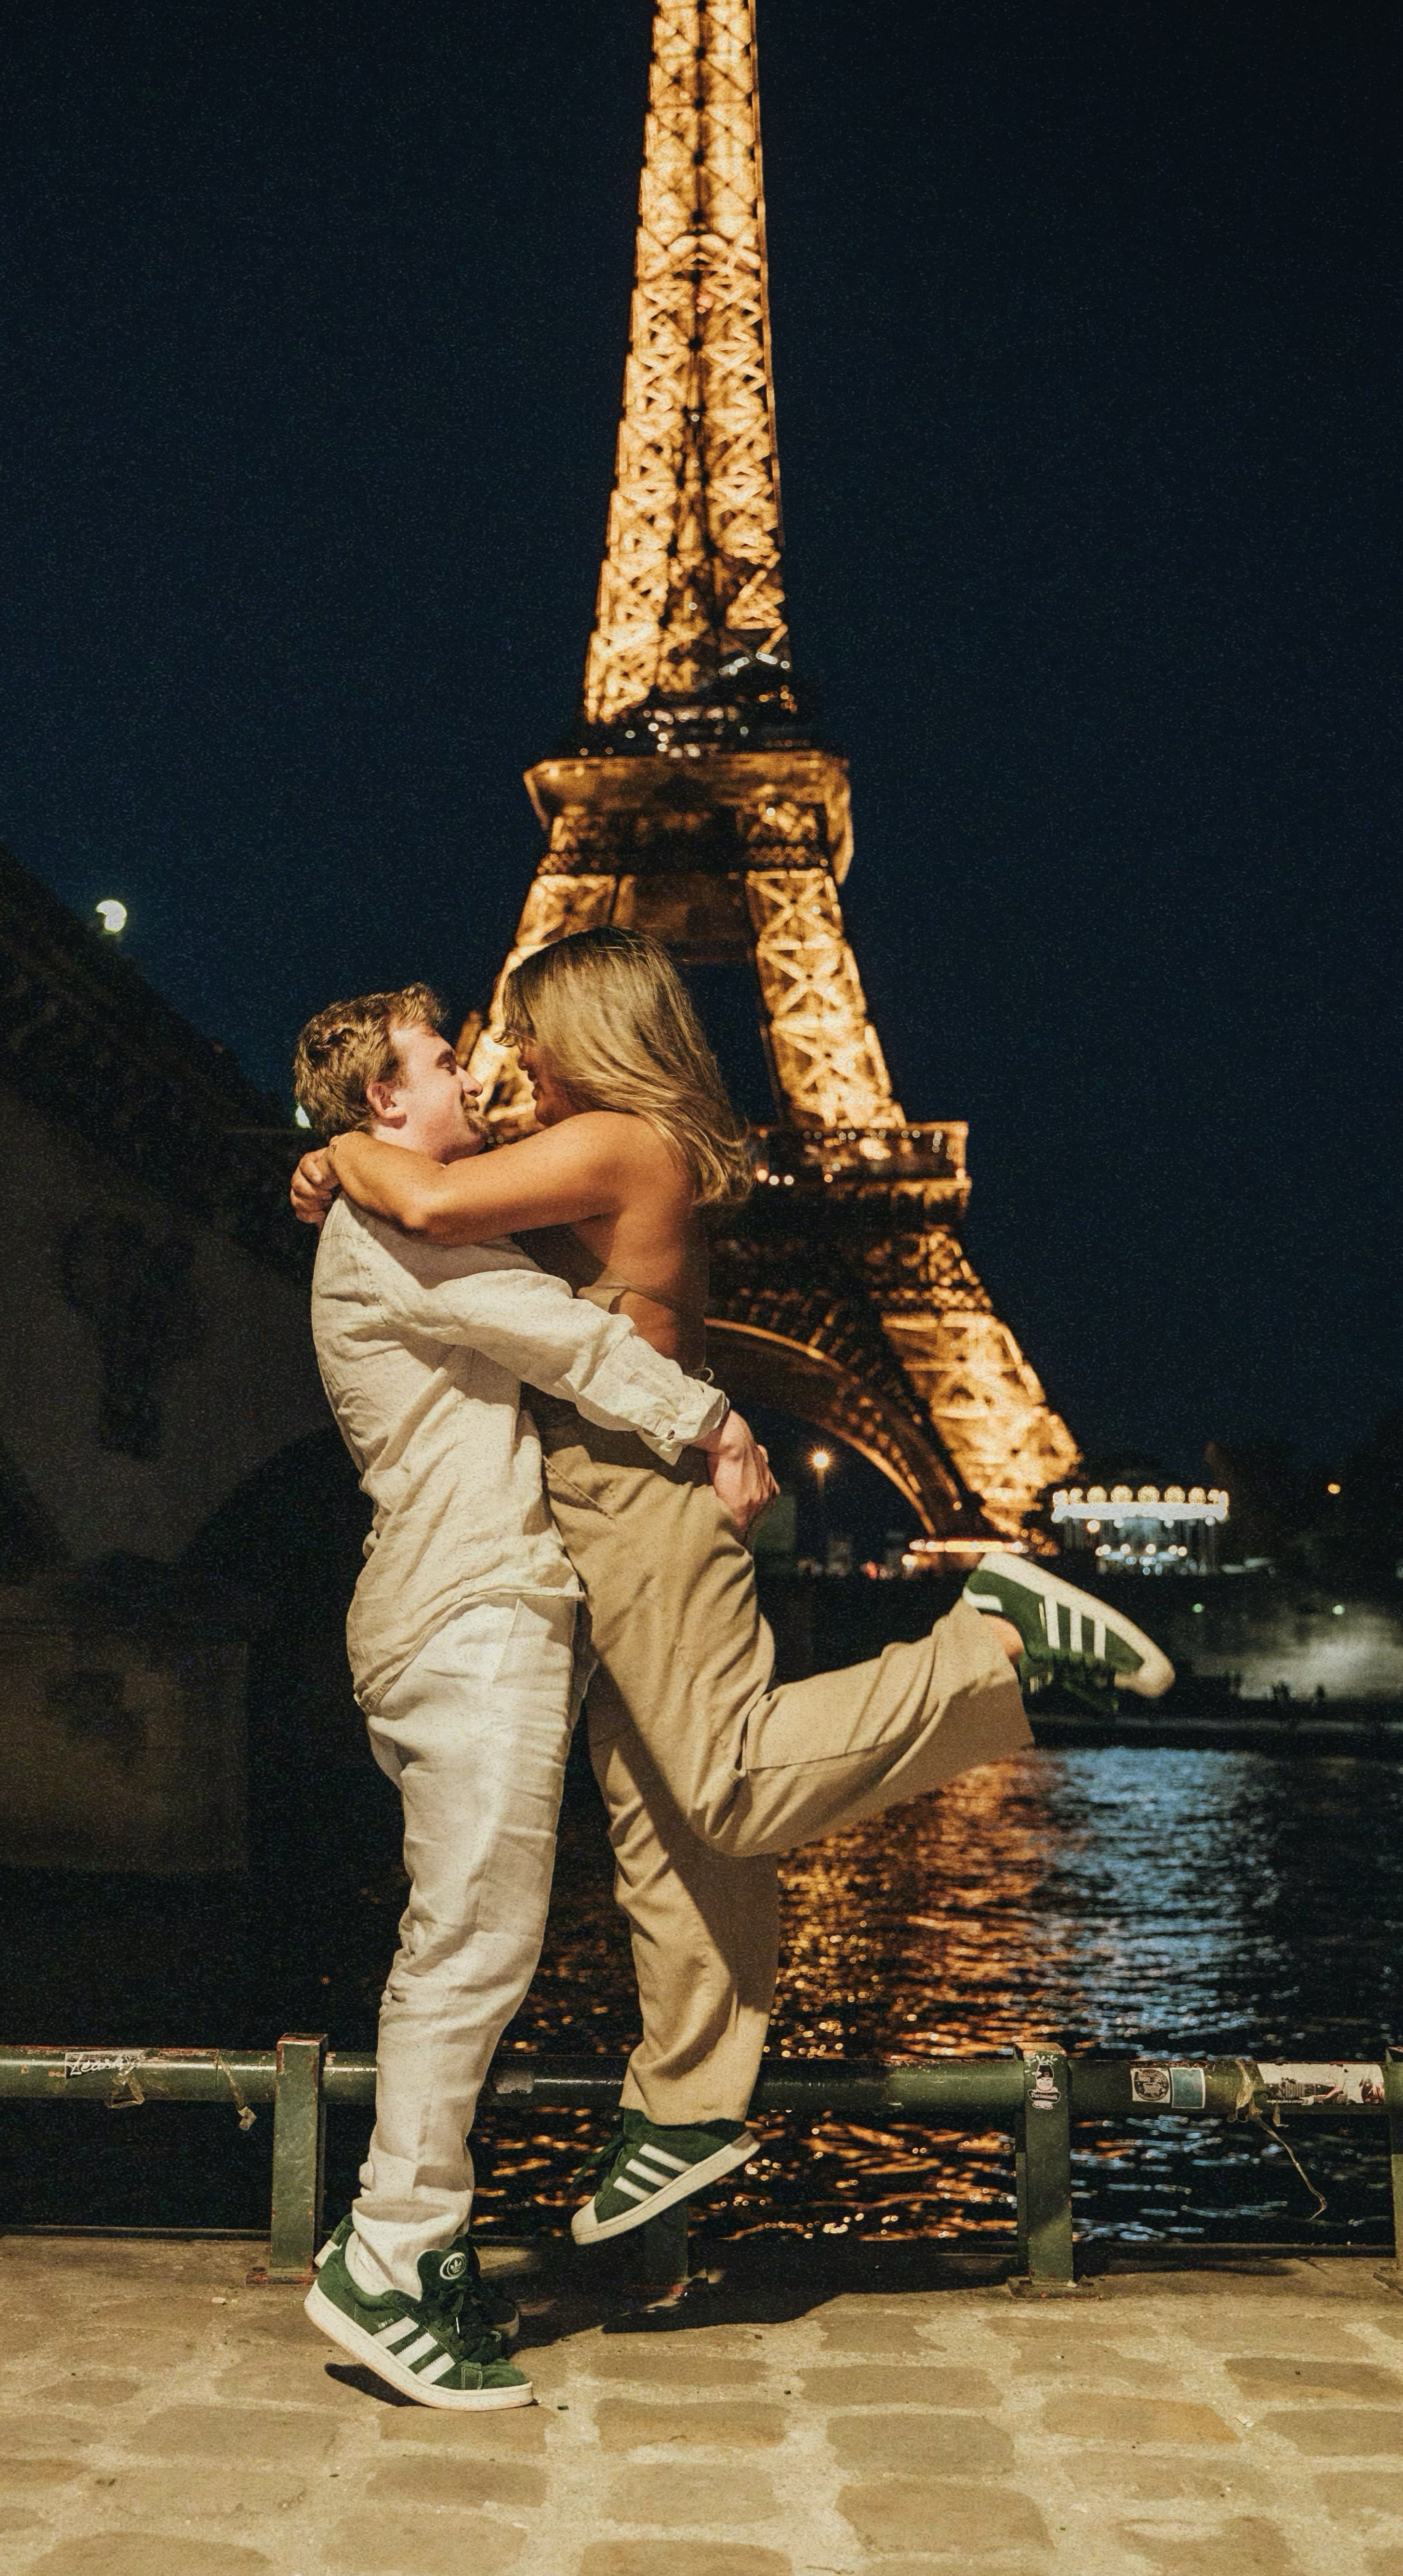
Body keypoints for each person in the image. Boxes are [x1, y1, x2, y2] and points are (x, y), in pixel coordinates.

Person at [292, 927, 1173, 2248]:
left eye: (525, 1030)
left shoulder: (607, 1143)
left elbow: (416, 1201)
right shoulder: (623, 1141)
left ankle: (993, 1641)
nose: (506, 1058)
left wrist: (335, 1147)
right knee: (660, 1817)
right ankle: (688, 2105)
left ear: (586, 1024)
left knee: (724, 1779)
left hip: (636, 1485)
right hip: (605, 1489)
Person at [291, 980, 773, 2411]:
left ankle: (408, 2242)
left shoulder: (390, 1196)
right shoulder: (397, 1221)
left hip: (469, 1612)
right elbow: (560, 1335)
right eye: (444, 1067)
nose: (476, 1086)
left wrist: (337, 1155)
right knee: (471, 1949)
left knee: (473, 1943)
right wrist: (710, 1417)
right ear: (384, 1098)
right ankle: (393, 2255)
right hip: (470, 1615)